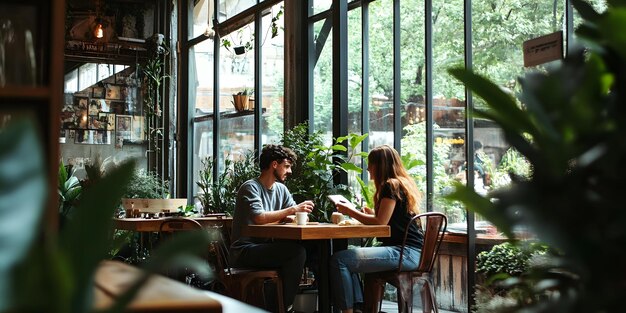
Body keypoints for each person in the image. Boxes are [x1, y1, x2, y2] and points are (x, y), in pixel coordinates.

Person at [330, 145, 424, 313]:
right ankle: (359, 308)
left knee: (340, 260)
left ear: (379, 165)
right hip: (412, 252)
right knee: (347, 259)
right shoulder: (401, 183)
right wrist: (371, 213)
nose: (367, 168)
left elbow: (380, 222)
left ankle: (349, 311)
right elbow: (391, 219)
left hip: (405, 252)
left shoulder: (391, 185)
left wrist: (349, 211)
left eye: (370, 164)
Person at [229, 144, 315, 312]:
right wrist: (292, 210)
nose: (289, 171)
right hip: (244, 251)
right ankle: (284, 308)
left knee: (316, 250)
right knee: (296, 254)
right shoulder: (251, 187)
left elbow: (294, 216)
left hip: (266, 247)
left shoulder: (281, 189)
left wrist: (294, 213)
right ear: (274, 164)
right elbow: (259, 217)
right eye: (287, 166)